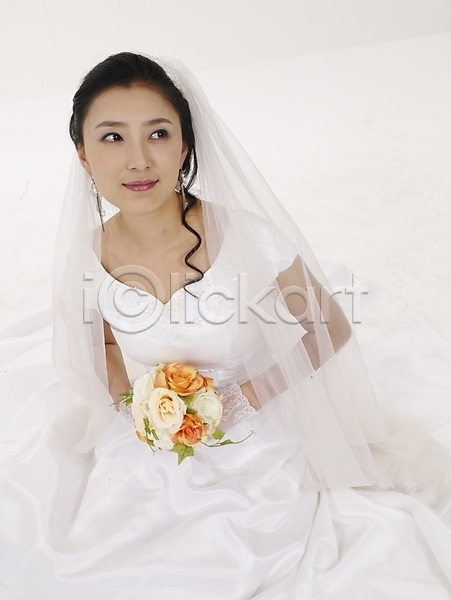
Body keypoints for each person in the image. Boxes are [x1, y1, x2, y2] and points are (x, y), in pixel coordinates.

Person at [1, 52, 451, 599]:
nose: (139, 160)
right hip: (157, 432)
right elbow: (103, 342)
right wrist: (133, 406)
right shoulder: (89, 257)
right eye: (113, 137)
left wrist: (244, 397)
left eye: (158, 134)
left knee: (236, 543)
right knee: (107, 546)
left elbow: (330, 326)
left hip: (262, 426)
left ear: (184, 146)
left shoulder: (245, 235)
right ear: (83, 156)